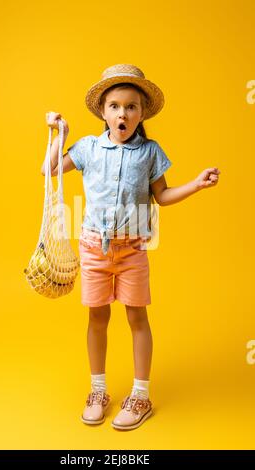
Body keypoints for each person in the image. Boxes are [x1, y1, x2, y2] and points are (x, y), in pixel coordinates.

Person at [42, 64, 221, 431]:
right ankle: (98, 390)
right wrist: (60, 133)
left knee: (137, 317)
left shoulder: (150, 152)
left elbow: (163, 195)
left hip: (132, 249)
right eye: (114, 106)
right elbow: (49, 170)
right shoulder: (89, 148)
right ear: (103, 112)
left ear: (141, 113)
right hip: (94, 248)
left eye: (131, 106)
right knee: (97, 317)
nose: (122, 113)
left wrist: (196, 185)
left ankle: (140, 395)